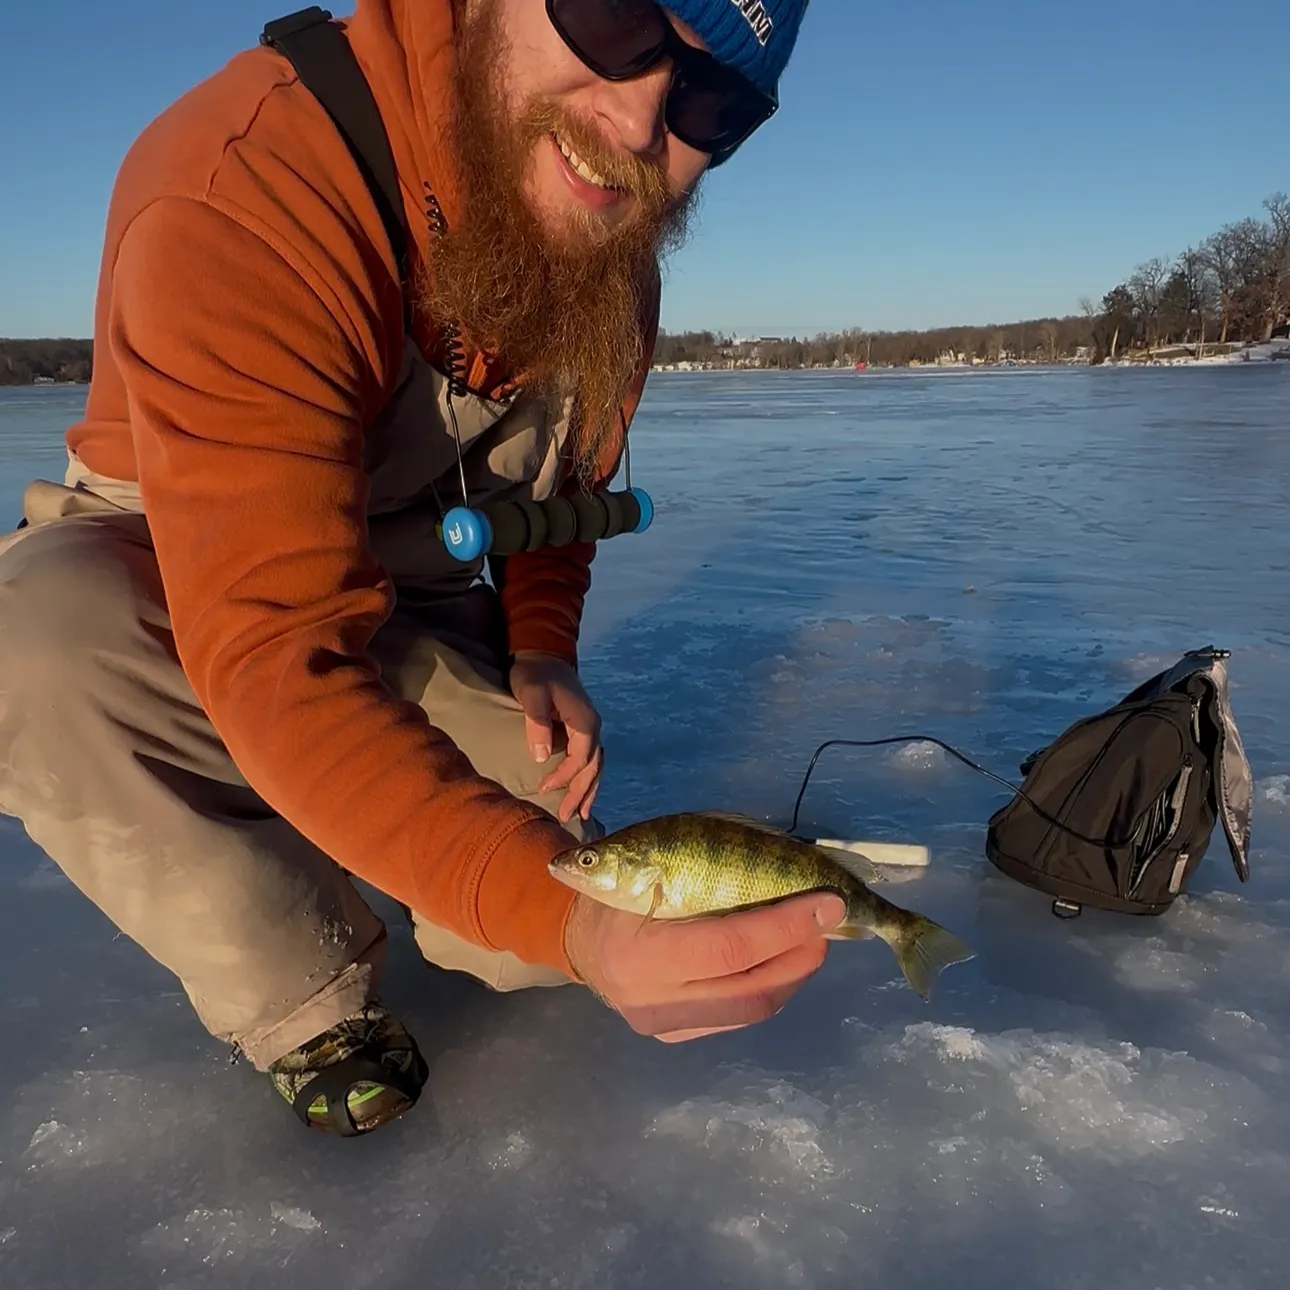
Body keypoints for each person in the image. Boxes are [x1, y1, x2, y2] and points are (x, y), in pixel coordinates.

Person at [0, 0, 844, 1138]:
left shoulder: (605, 240)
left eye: (713, 100)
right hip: (163, 574)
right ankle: (302, 998)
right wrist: (573, 926)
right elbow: (276, 652)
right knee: (37, 643)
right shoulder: (247, 179)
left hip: (409, 595)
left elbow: (566, 491)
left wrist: (542, 646)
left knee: (546, 916)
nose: (642, 121)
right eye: (617, 21)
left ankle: (357, 809)